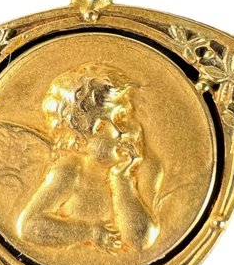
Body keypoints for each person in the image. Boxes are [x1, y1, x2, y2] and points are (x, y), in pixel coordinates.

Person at [16, 63, 163, 253]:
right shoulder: (70, 172)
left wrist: (122, 180)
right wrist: (89, 232)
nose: (127, 131)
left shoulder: (147, 169)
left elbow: (140, 242)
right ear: (81, 139)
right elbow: (29, 226)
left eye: (126, 117)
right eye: (115, 121)